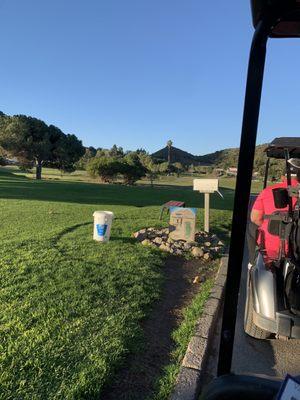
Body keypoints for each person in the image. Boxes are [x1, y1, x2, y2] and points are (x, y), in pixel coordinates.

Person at [250, 167, 300, 265]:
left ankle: (252, 262)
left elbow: (255, 218)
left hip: (270, 249)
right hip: (296, 249)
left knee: (252, 227)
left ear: (282, 177)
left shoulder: (267, 191)